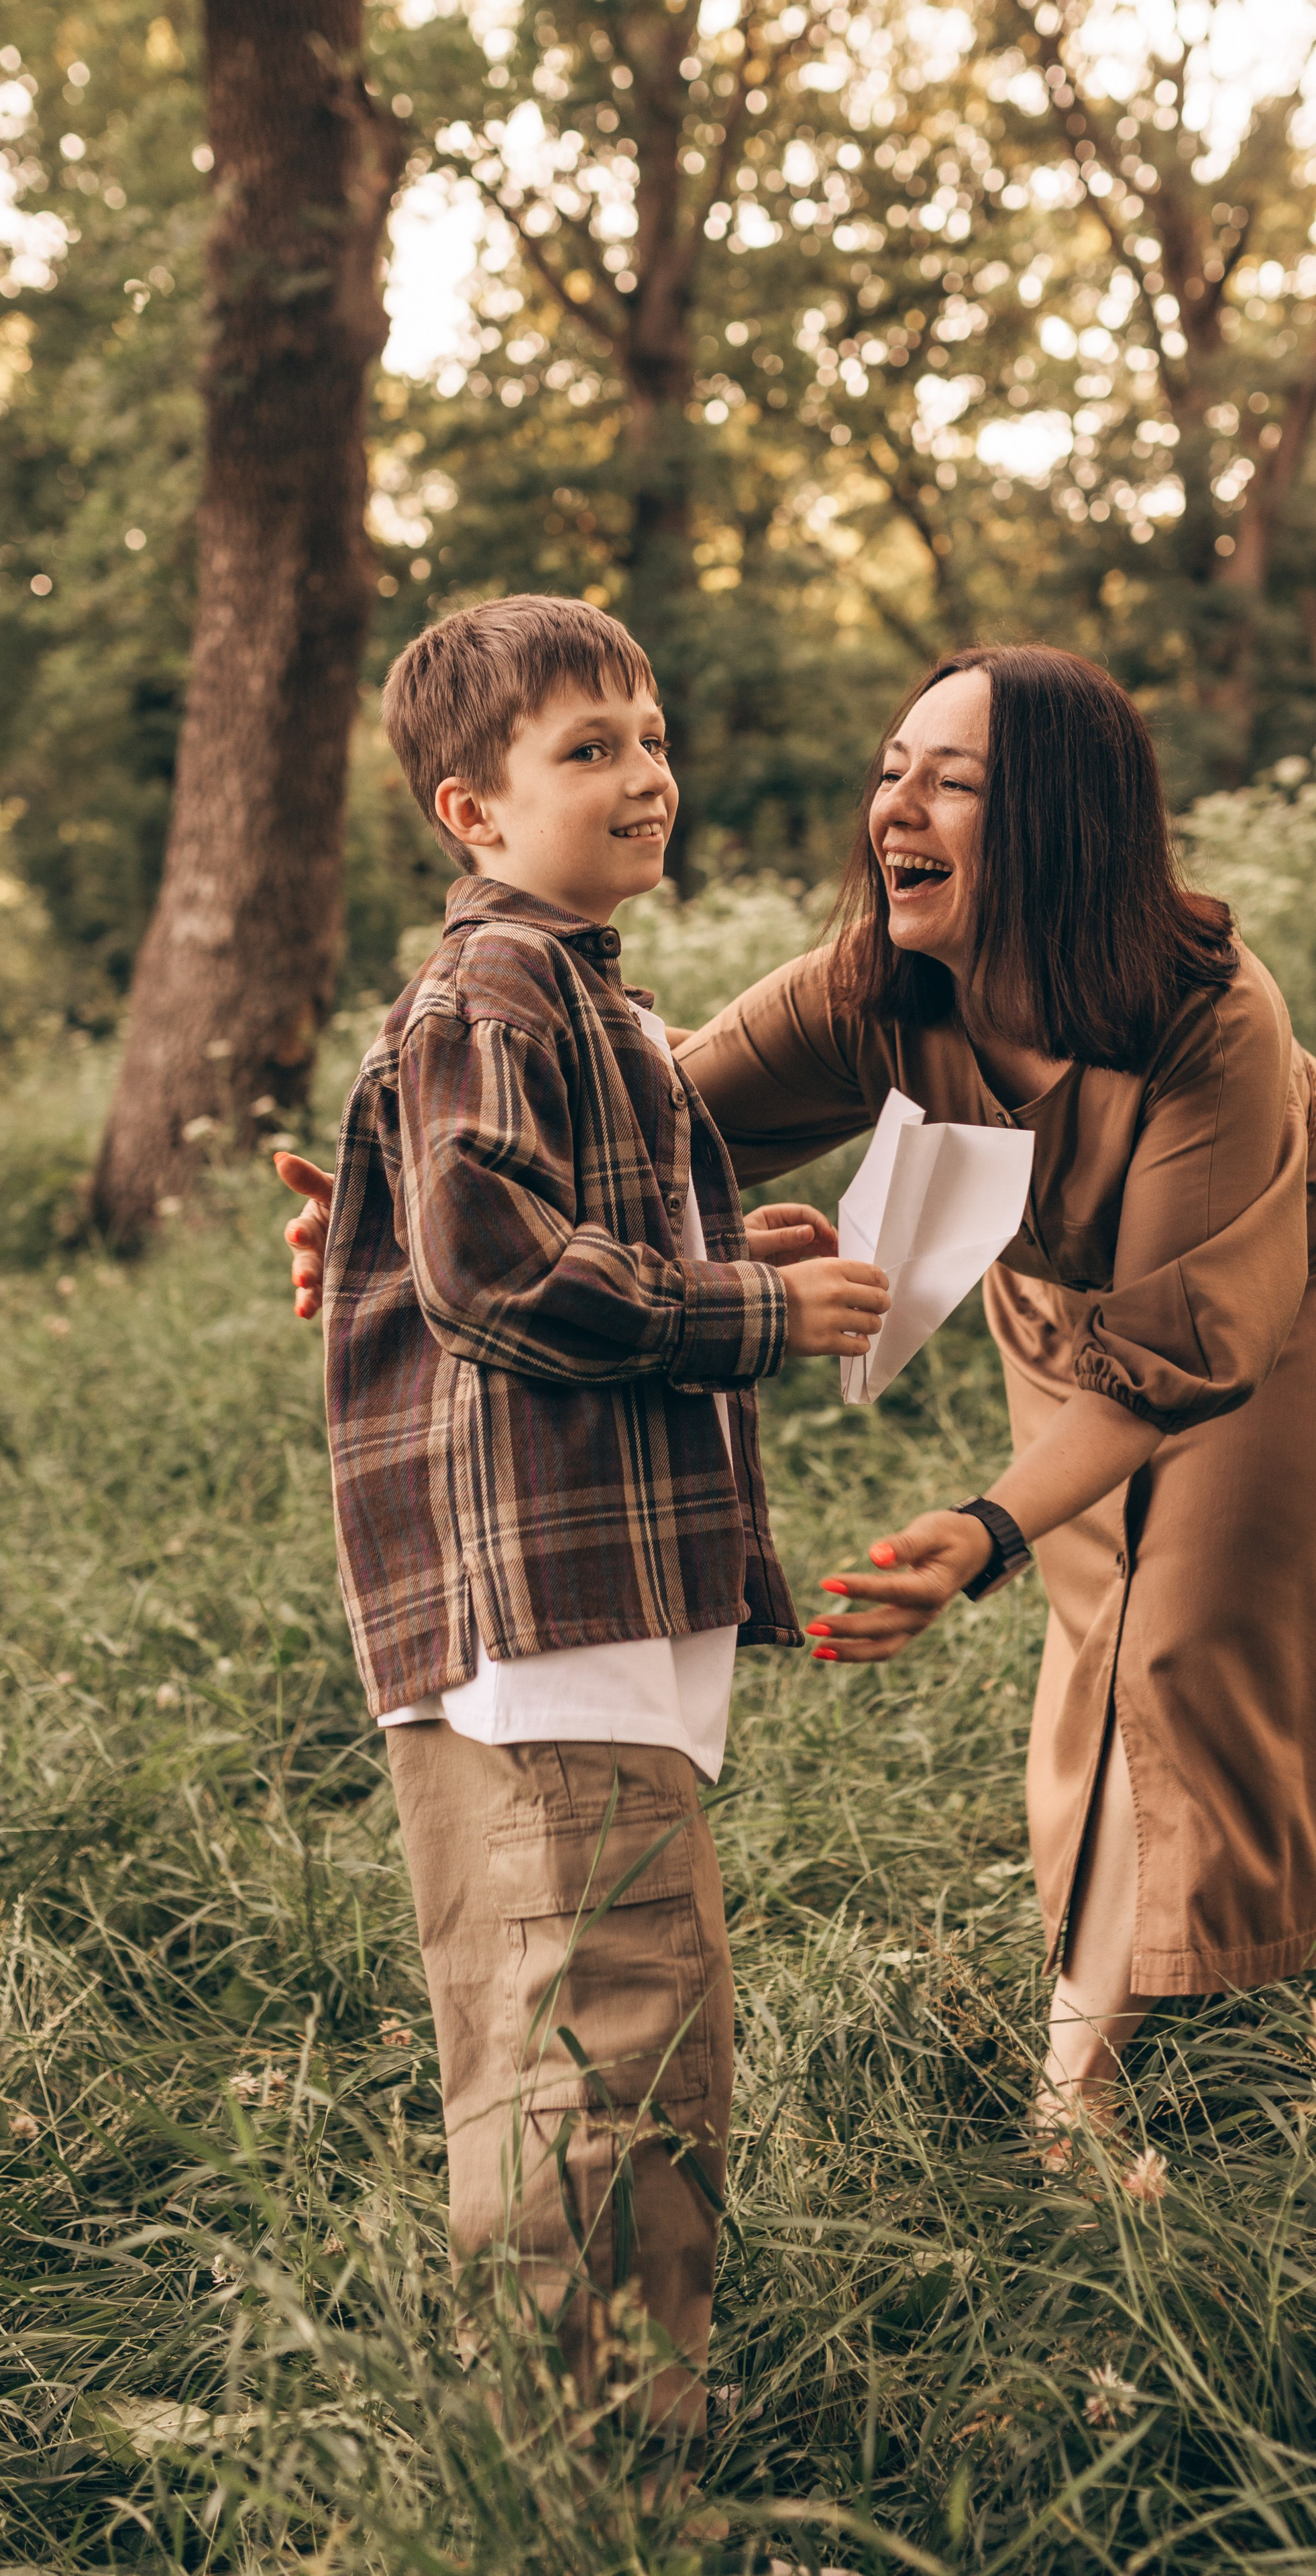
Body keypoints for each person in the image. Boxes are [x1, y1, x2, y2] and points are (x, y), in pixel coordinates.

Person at [285, 638, 1316, 2163]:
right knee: (1149, 1645)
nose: (896, 807)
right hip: (1062, 1293)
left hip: (1299, 1288)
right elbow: (631, 1116)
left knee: (1185, 1632)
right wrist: (395, 1209)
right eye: (890, 771)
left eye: (954, 781)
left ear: (1062, 820)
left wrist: (981, 1529)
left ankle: (1071, 2103)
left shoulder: (1206, 1010)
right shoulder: (871, 991)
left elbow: (1193, 1337)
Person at [303, 593, 887, 2453]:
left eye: (646, 735)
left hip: (566, 1611)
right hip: (550, 1612)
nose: (646, 774)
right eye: (588, 751)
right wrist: (758, 1317)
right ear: (472, 810)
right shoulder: (497, 992)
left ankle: (552, 2459)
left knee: (549, 2025)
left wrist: (742, 1251)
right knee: (613, 2041)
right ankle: (607, 2479)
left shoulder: (577, 990)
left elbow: (559, 1236)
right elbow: (490, 1267)